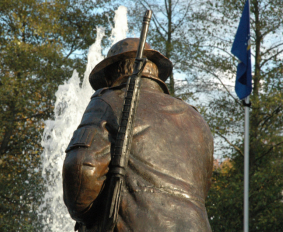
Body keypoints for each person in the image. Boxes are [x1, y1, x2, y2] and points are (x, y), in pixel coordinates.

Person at [63, 38, 214, 232]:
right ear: (155, 73)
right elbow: (203, 188)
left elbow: (81, 168)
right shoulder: (196, 118)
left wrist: (89, 217)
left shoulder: (108, 101)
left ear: (113, 73)